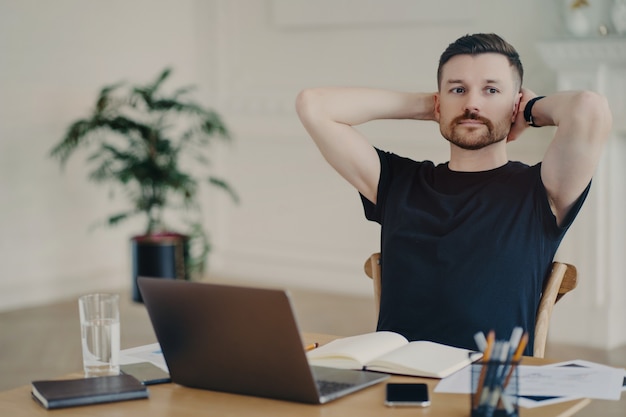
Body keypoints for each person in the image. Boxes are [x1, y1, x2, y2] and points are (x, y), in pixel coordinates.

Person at [295, 33, 612, 355]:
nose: (472, 104)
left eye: (491, 90)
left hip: (486, 386)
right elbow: (313, 105)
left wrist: (529, 109)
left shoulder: (541, 190)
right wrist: (430, 107)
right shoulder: (396, 181)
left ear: (514, 103)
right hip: (395, 379)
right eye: (458, 89)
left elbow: (589, 108)